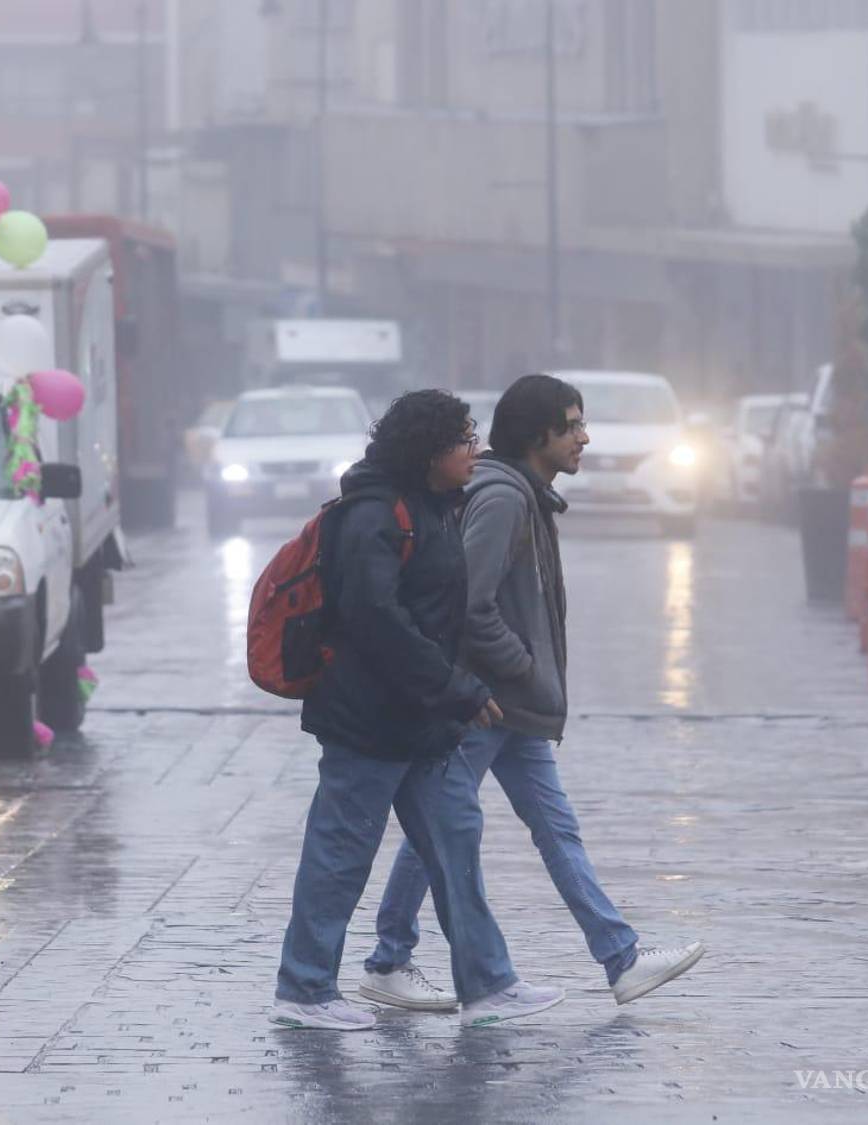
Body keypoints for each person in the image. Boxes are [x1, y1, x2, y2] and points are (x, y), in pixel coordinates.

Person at [359, 374, 705, 1013]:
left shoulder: (527, 495)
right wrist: (523, 668)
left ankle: (620, 959)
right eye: (572, 425)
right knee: (440, 828)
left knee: (551, 827)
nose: (584, 437)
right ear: (537, 435)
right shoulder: (505, 500)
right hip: (485, 703)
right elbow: (471, 604)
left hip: (512, 706)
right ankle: (390, 960)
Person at [271, 389, 566, 1031]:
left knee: (455, 842)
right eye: (464, 440)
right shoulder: (373, 516)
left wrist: (452, 695)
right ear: (429, 451)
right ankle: (305, 988)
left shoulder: (438, 506)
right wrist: (458, 688)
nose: (477, 450)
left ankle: (487, 983)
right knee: (340, 852)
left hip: (424, 723)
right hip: (368, 722)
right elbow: (379, 622)